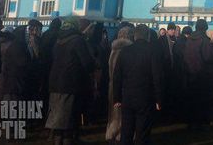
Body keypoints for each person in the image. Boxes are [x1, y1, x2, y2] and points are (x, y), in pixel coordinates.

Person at [46, 17, 95, 145]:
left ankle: (57, 142)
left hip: (54, 84)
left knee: (58, 122)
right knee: (68, 122)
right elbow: (87, 63)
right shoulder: (78, 40)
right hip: (70, 85)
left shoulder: (58, 40)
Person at [113, 24, 163, 145]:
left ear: (135, 36)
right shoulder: (152, 51)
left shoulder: (125, 51)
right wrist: (159, 99)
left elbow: (117, 76)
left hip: (127, 96)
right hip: (145, 97)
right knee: (142, 132)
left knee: (126, 130)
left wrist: (117, 98)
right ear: (148, 36)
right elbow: (157, 77)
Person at [183, 19, 213, 130]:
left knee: (191, 99)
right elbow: (208, 57)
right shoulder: (204, 40)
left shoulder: (189, 39)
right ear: (205, 28)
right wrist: (212, 46)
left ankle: (190, 122)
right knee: (202, 100)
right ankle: (200, 123)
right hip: (202, 74)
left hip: (190, 73)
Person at [106, 26, 134, 145]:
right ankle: (120, 134)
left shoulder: (113, 48)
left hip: (112, 85)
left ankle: (111, 133)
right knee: (123, 113)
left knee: (113, 112)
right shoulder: (128, 50)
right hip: (124, 86)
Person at [159, 23, 178, 117]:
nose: (173, 31)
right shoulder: (162, 40)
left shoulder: (176, 40)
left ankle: (170, 111)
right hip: (164, 70)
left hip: (173, 71)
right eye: (171, 29)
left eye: (174, 29)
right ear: (167, 30)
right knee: (164, 91)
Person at [24, 19, 44, 101]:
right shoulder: (33, 39)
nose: (40, 32)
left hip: (27, 72)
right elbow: (37, 55)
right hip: (31, 72)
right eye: (39, 29)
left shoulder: (25, 38)